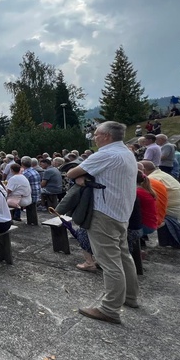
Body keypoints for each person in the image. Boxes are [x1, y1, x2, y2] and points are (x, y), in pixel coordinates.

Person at [67, 121, 139, 324]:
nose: (94, 137)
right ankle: (130, 297)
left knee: (109, 261)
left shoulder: (106, 154)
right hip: (122, 211)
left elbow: (72, 173)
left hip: (104, 212)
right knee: (124, 256)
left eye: (96, 134)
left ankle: (109, 309)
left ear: (106, 136)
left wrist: (82, 178)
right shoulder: (126, 152)